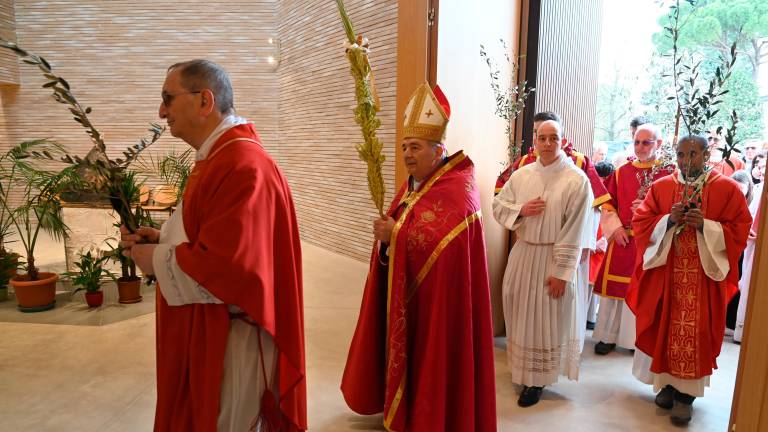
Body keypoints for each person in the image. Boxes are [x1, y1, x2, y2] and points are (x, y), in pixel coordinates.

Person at [121, 60, 306, 431]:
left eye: (168, 99)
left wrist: (156, 260)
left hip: (234, 341)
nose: (161, 111)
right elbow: (213, 234)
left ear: (205, 101)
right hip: (214, 329)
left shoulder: (242, 165)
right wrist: (164, 238)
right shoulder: (220, 157)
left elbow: (230, 269)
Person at [341, 82, 496, 431]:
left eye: (415, 147)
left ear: (438, 149)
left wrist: (394, 235)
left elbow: (445, 246)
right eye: (404, 148)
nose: (408, 155)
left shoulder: (459, 188)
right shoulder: (416, 184)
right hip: (414, 297)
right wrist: (389, 237)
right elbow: (405, 230)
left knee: (434, 356)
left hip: (442, 304)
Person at [627, 135, 751, 425]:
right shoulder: (663, 187)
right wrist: (668, 221)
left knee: (697, 332)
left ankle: (687, 397)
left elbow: (740, 229)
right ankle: (667, 386)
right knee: (665, 326)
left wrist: (706, 226)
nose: (685, 161)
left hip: (703, 280)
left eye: (692, 154)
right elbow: (642, 223)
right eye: (681, 154)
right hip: (667, 276)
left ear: (706, 155)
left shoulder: (727, 189)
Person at [493, 119, 594, 407]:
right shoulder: (522, 175)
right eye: (542, 138)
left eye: (554, 138)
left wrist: (562, 272)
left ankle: (537, 381)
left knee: (544, 318)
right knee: (521, 313)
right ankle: (523, 371)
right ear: (534, 140)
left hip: (552, 257)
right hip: (523, 252)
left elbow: (576, 228)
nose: (548, 144)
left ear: (563, 140)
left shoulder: (577, 180)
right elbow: (498, 206)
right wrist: (520, 210)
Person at [592, 124, 674, 355]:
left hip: (651, 242)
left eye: (646, 142)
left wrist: (653, 217)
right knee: (615, 291)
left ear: (658, 144)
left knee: (643, 290)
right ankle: (607, 336)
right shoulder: (622, 172)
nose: (640, 147)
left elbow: (674, 210)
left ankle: (634, 340)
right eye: (637, 142)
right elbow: (608, 204)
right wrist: (615, 228)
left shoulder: (669, 174)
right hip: (623, 239)